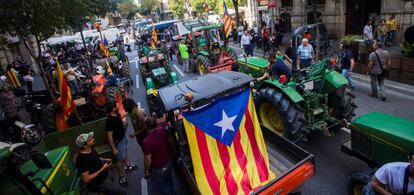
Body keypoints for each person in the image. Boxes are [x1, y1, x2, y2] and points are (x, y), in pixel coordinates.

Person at [105, 101, 136, 187]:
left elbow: (121, 117)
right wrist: (114, 148)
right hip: (118, 143)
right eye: (116, 105)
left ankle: (127, 166)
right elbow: (109, 136)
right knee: (119, 161)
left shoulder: (116, 115)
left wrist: (131, 110)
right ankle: (121, 177)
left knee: (125, 153)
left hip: (123, 139)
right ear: (113, 109)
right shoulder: (109, 121)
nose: (118, 105)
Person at [143, 117, 176, 195]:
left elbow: (148, 159)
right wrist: (174, 150)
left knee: (161, 186)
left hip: (159, 167)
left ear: (146, 127)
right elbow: (171, 141)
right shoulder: (162, 130)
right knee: (169, 179)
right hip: (168, 160)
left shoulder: (146, 142)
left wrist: (147, 170)